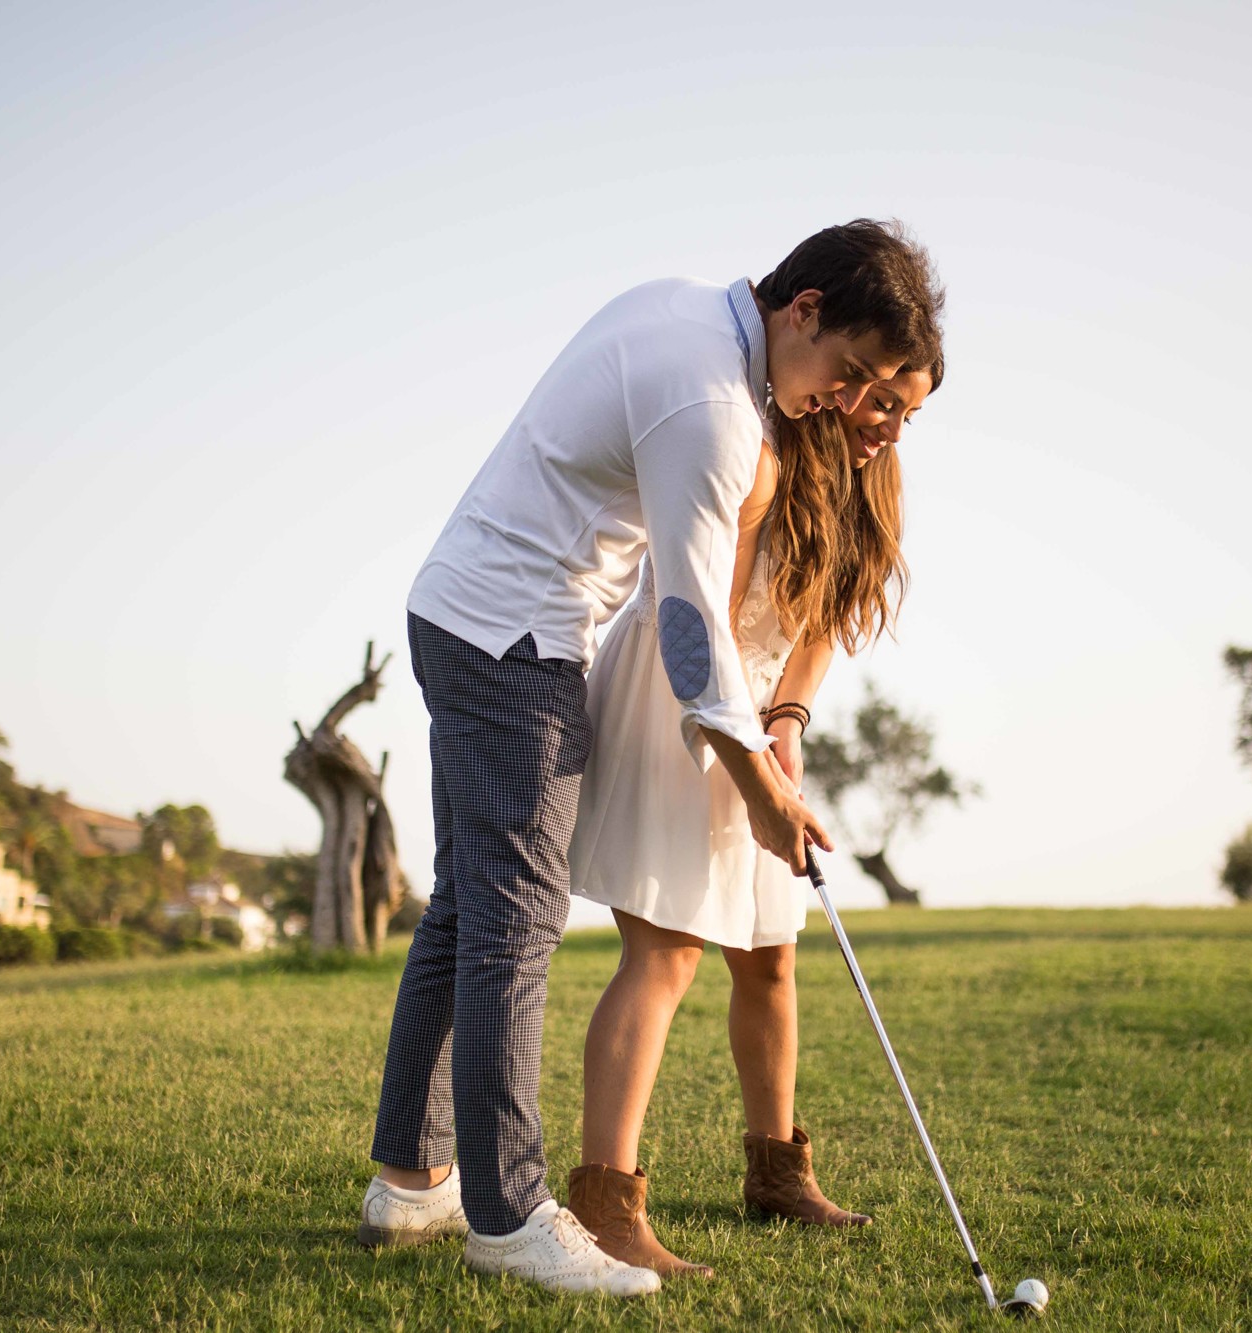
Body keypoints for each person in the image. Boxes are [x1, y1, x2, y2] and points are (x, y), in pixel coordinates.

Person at [356, 221, 944, 1299]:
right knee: (511, 921)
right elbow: (689, 631)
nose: (843, 400)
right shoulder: (715, 407)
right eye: (846, 372)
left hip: (474, 611)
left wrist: (780, 736)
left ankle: (409, 1177)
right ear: (799, 308)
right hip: (512, 637)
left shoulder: (690, 318)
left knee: (462, 910)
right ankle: (508, 1215)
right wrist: (762, 785)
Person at [564, 359, 940, 1277]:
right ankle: (605, 1201)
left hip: (755, 711)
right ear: (843, 381)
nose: (890, 427)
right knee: (666, 952)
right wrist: (743, 748)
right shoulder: (759, 453)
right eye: (883, 402)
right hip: (678, 693)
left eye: (908, 412)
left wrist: (786, 723)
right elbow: (709, 622)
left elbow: (817, 629)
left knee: (770, 955)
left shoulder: (872, 480)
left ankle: (778, 1174)